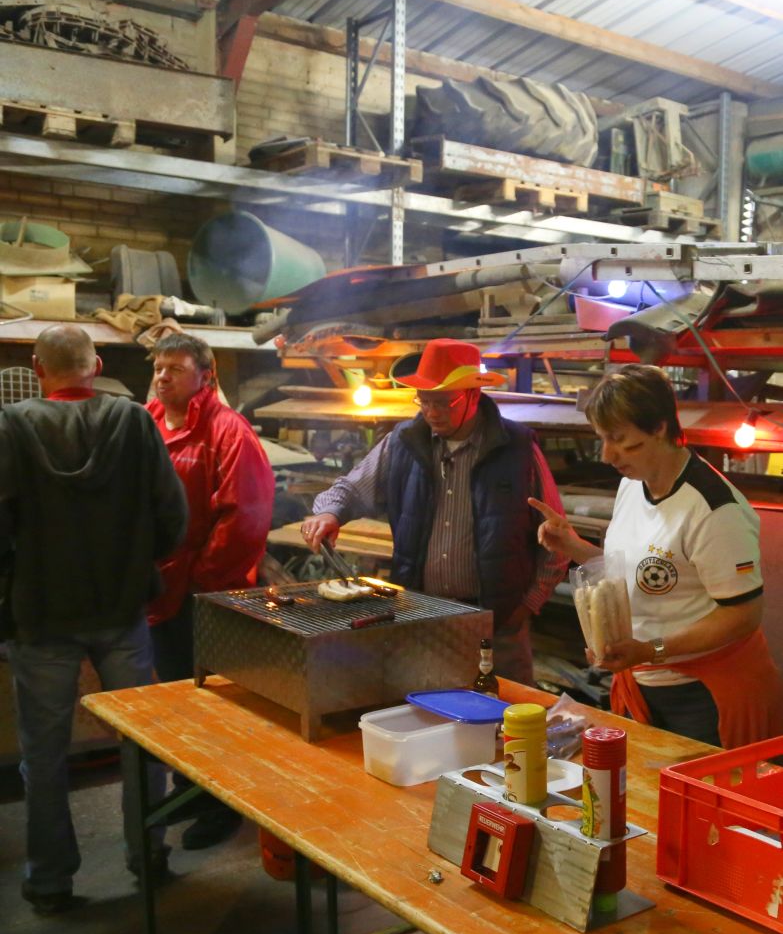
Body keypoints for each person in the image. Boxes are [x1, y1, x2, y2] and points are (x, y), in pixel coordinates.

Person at [0, 324, 188, 914]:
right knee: (141, 740)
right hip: (120, 608)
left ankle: (51, 881)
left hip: (41, 615)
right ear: (97, 364)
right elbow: (171, 514)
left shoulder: (11, 426)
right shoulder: (135, 421)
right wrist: (137, 565)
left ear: (37, 367)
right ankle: (148, 855)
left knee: (45, 755)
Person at [531, 362, 783, 749]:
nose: (607, 454)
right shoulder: (633, 485)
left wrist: (651, 650)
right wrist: (573, 547)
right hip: (645, 681)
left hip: (705, 691)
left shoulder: (714, 510)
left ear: (660, 428)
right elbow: (641, 570)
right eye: (602, 438)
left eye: (620, 439)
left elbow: (743, 615)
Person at [301, 338, 568, 683]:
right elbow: (351, 488)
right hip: (421, 614)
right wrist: (329, 513)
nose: (431, 412)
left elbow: (558, 538)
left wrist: (527, 605)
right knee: (422, 709)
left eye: (443, 401)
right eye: (424, 401)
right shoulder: (404, 443)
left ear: (473, 395)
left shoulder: (516, 449)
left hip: (498, 624)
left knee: (505, 720)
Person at [146, 332, 275, 849]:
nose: (162, 376)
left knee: (215, 708)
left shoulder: (227, 432)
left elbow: (244, 517)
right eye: (158, 367)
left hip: (205, 597)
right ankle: (190, 790)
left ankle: (222, 807)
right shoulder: (148, 421)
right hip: (158, 591)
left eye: (175, 368)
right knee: (180, 706)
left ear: (206, 377)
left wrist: (201, 581)